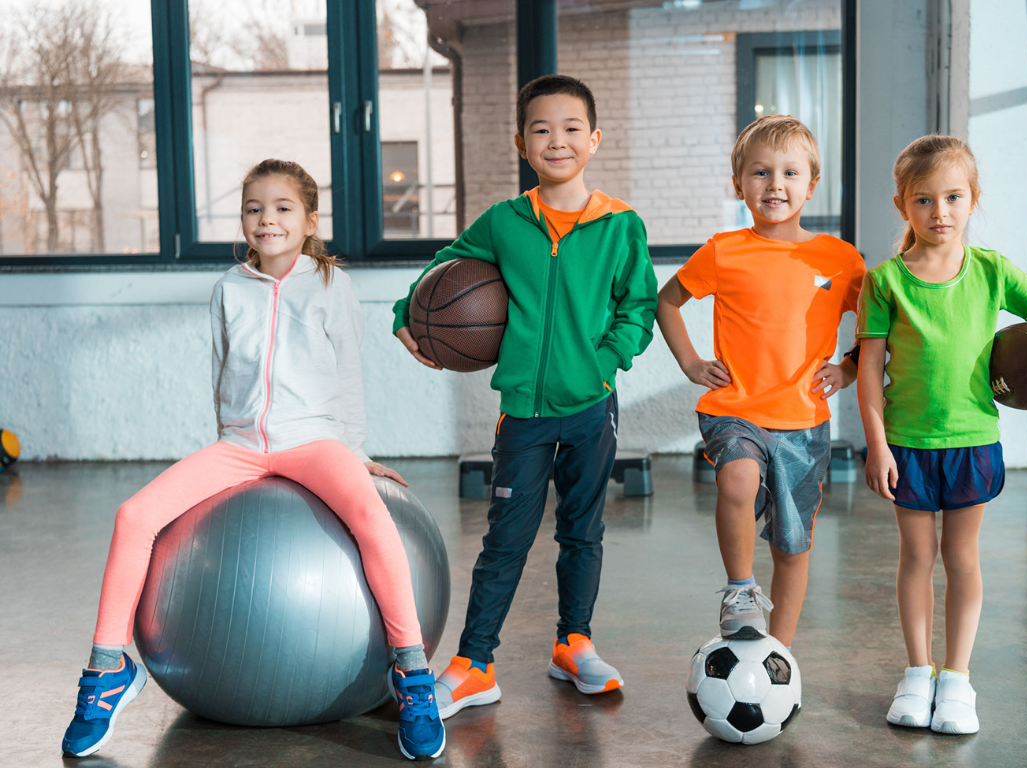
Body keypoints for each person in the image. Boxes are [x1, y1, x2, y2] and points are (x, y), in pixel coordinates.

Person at [62, 159, 445, 762]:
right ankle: (105, 673)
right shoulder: (228, 288)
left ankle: (413, 675)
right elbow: (223, 378)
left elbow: (348, 376)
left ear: (310, 220)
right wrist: (224, 454)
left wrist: (357, 453)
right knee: (134, 517)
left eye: (282, 207)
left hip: (315, 441)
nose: (267, 218)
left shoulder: (331, 285)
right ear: (243, 220)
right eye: (254, 208)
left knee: (373, 520)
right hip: (241, 447)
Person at [393, 74, 657, 718]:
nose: (556, 140)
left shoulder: (621, 226)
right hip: (523, 416)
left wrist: (605, 360)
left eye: (571, 129)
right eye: (541, 129)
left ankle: (574, 643)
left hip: (592, 408)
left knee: (582, 533)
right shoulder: (505, 223)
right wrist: (407, 312)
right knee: (505, 538)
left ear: (593, 140)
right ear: (521, 143)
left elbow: (639, 307)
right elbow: (440, 268)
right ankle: (475, 662)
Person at [856, 134, 1027, 734]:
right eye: (923, 200)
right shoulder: (885, 281)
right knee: (916, 558)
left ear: (973, 200)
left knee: (961, 559)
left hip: (973, 443)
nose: (938, 213)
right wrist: (877, 442)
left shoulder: (993, 272)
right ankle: (918, 675)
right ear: (903, 206)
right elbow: (868, 371)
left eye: (952, 197)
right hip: (908, 445)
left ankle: (958, 681)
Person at [656, 115, 865, 653]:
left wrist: (848, 366)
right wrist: (690, 363)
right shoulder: (724, 251)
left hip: (803, 420)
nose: (775, 184)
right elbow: (668, 301)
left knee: (793, 548)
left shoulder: (840, 260)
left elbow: (880, 325)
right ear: (739, 183)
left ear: (812, 185)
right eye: (761, 172)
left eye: (790, 172)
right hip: (735, 409)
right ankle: (740, 590)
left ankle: (781, 653)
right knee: (738, 481)